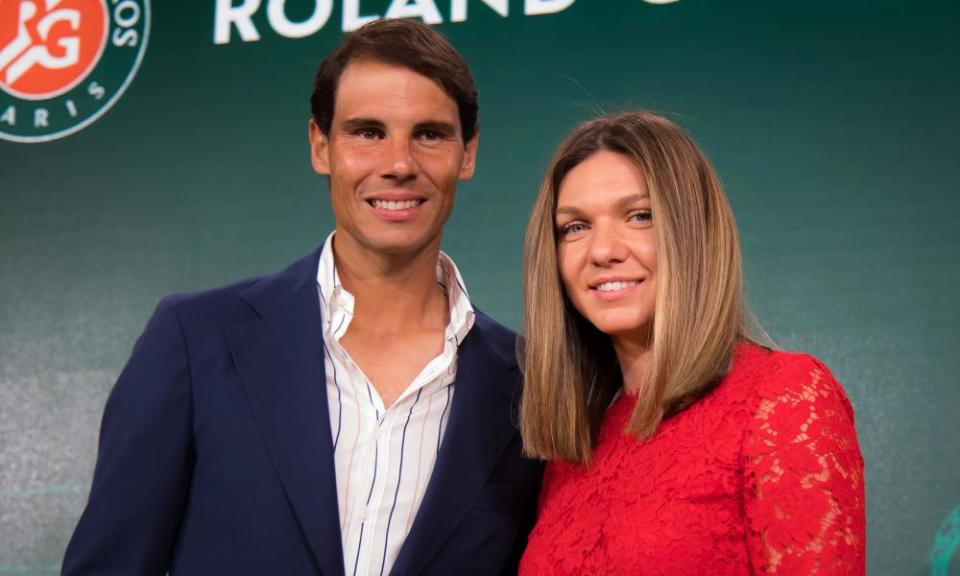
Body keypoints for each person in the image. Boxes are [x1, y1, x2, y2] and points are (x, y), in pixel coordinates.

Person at [63, 19, 542, 576]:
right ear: (321, 146)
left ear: (468, 153)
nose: (398, 164)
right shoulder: (196, 340)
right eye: (367, 132)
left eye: (429, 134)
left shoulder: (529, 383)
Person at [517, 111, 865, 575]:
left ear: (692, 234)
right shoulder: (575, 450)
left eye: (640, 216)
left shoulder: (782, 397)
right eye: (575, 227)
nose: (602, 250)